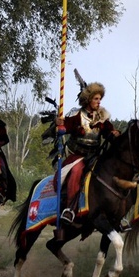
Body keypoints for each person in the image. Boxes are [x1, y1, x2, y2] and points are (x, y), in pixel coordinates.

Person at [56, 81, 119, 224]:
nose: (99, 101)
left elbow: (108, 130)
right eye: (96, 99)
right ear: (88, 100)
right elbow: (65, 127)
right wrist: (60, 126)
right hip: (77, 156)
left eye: (100, 98)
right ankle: (70, 209)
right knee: (77, 171)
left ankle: (116, 213)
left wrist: (114, 133)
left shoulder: (101, 116)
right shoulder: (77, 115)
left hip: (95, 155)